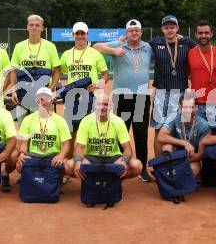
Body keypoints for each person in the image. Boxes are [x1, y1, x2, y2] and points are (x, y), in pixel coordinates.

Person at [93, 19, 153, 182]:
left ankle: (142, 168)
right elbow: (96, 47)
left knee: (141, 134)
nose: (134, 33)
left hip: (141, 96)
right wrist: (114, 51)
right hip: (122, 96)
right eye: (131, 30)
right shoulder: (118, 45)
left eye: (137, 30)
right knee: (121, 132)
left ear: (141, 32)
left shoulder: (148, 47)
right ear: (126, 33)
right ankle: (120, 165)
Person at [149, 15, 197, 157]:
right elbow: (137, 47)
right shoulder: (155, 43)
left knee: (181, 127)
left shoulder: (187, 42)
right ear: (162, 29)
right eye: (166, 27)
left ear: (177, 28)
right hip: (162, 93)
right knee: (159, 129)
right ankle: (159, 166)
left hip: (182, 93)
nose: (169, 30)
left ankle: (180, 162)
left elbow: (203, 50)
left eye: (172, 27)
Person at [66, 93, 142, 180]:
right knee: (69, 165)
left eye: (106, 104)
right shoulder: (86, 121)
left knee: (137, 165)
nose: (102, 107)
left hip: (113, 157)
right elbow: (79, 148)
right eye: (99, 104)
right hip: (91, 157)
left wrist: (124, 162)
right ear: (95, 105)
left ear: (111, 106)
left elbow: (127, 149)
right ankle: (90, 182)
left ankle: (116, 181)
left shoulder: (118, 121)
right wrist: (78, 162)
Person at [59, 22, 109, 150]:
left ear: (87, 35)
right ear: (73, 35)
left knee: (91, 130)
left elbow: (105, 75)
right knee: (71, 132)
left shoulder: (95, 53)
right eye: (77, 33)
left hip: (91, 98)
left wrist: (98, 84)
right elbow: (58, 71)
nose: (80, 36)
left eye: (83, 33)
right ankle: (70, 162)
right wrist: (58, 85)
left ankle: (89, 162)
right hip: (72, 98)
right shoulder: (66, 54)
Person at [10, 15, 61, 123]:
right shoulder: (19, 46)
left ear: (42, 28)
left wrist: (52, 87)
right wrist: (14, 91)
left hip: (42, 95)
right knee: (23, 127)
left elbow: (56, 70)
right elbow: (13, 71)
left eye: (37, 25)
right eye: (31, 25)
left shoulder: (50, 46)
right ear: (27, 27)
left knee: (41, 127)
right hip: (22, 94)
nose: (34, 27)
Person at [16, 87, 72, 176]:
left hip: (53, 155)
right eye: (40, 98)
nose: (43, 101)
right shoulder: (28, 119)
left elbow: (66, 144)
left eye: (46, 98)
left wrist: (61, 156)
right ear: (36, 101)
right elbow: (24, 143)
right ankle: (31, 181)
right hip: (34, 155)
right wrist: (22, 153)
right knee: (20, 164)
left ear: (51, 100)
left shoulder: (60, 120)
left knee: (67, 166)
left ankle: (56, 182)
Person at [156, 92, 209, 177]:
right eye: (185, 107)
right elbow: (160, 137)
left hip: (191, 157)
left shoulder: (204, 125)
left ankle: (176, 177)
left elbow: (200, 155)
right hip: (175, 155)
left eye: (191, 107)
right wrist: (185, 143)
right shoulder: (174, 116)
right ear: (180, 107)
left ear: (196, 108)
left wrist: (182, 159)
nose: (188, 110)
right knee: (166, 147)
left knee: (194, 169)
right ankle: (163, 170)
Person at [188, 20, 216, 125]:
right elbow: (187, 75)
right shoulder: (190, 53)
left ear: (211, 34)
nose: (203, 35)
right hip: (197, 104)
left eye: (206, 33)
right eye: (200, 33)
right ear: (196, 34)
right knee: (198, 138)